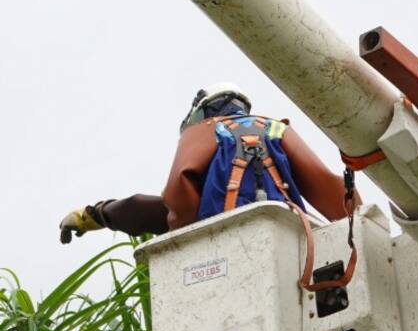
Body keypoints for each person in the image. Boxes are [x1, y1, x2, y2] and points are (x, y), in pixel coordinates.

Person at [59, 83, 356, 243]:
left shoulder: (204, 132)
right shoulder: (276, 128)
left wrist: (190, 237)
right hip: (289, 238)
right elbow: (328, 187)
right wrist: (364, 227)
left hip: (222, 243)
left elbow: (176, 196)